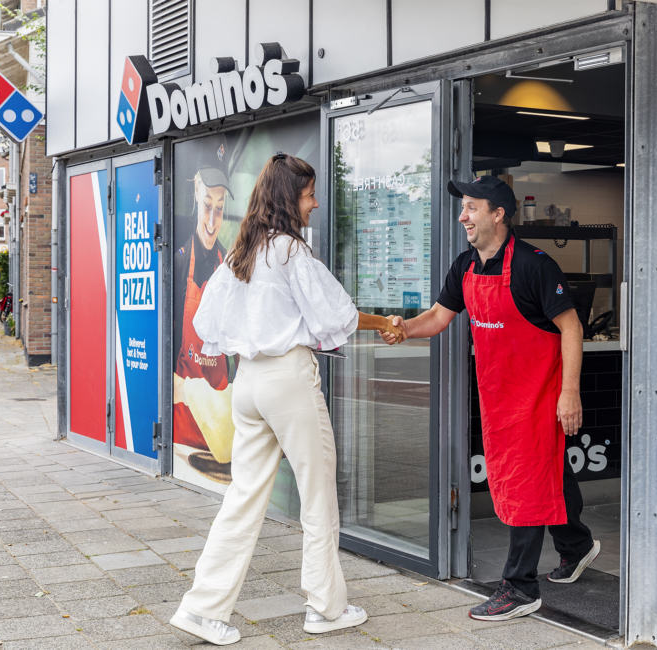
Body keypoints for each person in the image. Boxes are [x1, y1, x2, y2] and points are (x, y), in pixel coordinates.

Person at [170, 153, 405, 646]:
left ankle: (202, 608)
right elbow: (334, 314)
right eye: (308, 194)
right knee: (318, 495)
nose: (315, 203)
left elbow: (204, 324)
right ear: (288, 197)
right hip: (287, 381)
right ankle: (325, 607)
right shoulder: (291, 252)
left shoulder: (241, 252)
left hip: (248, 383)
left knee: (242, 497)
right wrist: (386, 323)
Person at [380, 176, 600, 621]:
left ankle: (520, 588)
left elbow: (571, 327)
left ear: (498, 214)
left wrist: (569, 393)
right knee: (548, 473)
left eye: (472, 208)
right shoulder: (465, 266)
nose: (463, 216)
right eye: (463, 207)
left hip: (539, 395)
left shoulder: (535, 266)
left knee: (525, 484)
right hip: (499, 393)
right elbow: (439, 316)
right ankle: (576, 546)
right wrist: (403, 328)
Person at [173, 134, 233, 464]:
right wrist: (183, 389)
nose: (212, 222)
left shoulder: (230, 263)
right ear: (196, 190)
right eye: (208, 206)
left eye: (221, 210)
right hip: (183, 430)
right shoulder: (179, 258)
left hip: (220, 431)